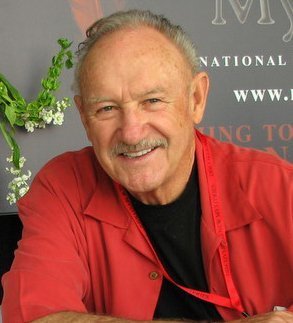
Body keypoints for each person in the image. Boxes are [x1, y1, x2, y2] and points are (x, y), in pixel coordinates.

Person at [2, 9, 293, 323]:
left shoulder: (279, 186)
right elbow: (33, 317)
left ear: (196, 98)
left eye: (152, 101)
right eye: (107, 108)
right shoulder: (62, 187)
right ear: (85, 118)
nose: (131, 132)